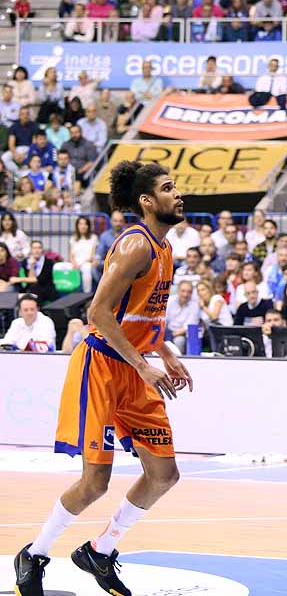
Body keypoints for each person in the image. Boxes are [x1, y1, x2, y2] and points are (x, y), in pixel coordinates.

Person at [15, 161, 191, 596]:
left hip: (137, 367)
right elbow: (97, 313)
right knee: (96, 481)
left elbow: (143, 313)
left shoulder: (166, 248)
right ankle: (34, 554)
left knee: (164, 474)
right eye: (169, 188)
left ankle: (100, 549)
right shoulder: (136, 246)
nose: (179, 194)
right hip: (103, 368)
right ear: (147, 202)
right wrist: (143, 363)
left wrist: (164, 352)